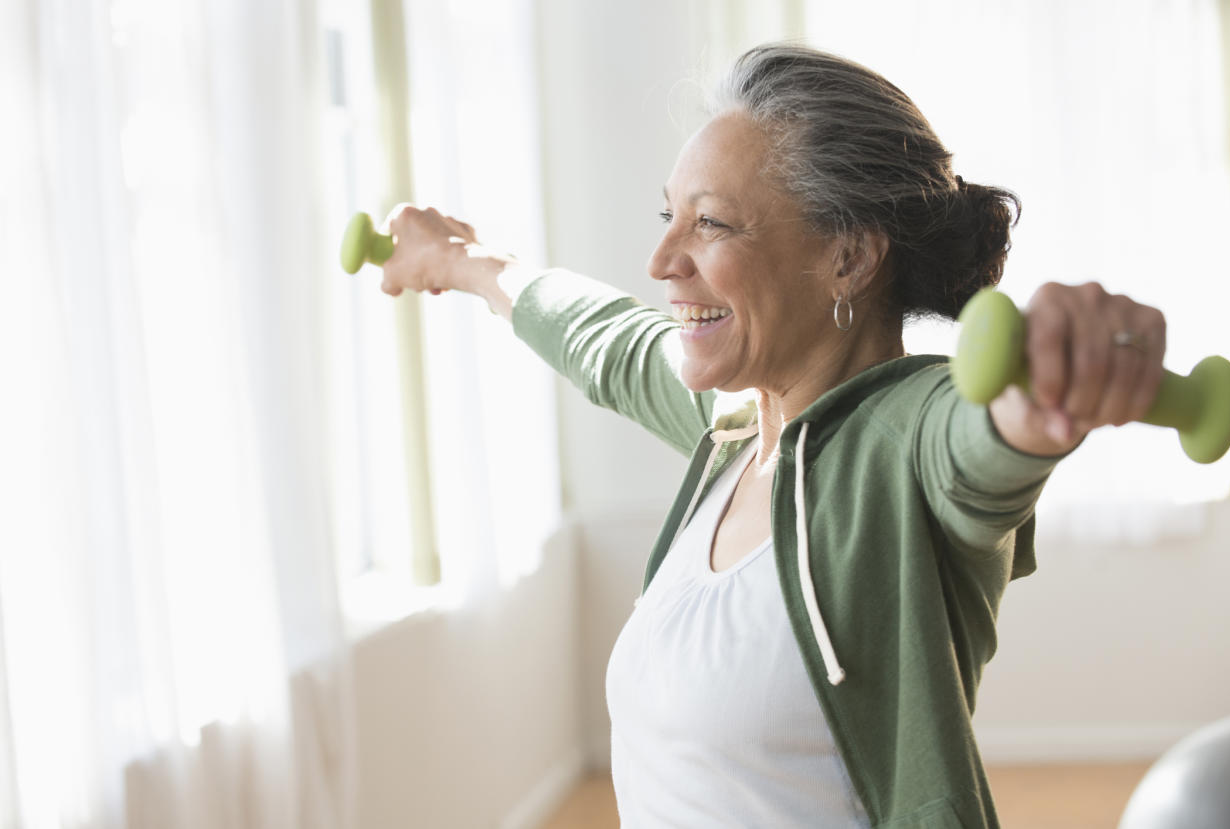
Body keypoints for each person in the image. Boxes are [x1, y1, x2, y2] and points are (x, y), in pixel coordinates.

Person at [377, 44, 1166, 829]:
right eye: (669, 217)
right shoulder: (735, 430)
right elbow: (605, 341)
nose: (660, 260)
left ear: (848, 256)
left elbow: (976, 442)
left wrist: (1043, 397)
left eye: (711, 223)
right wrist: (465, 262)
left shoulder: (903, 442)